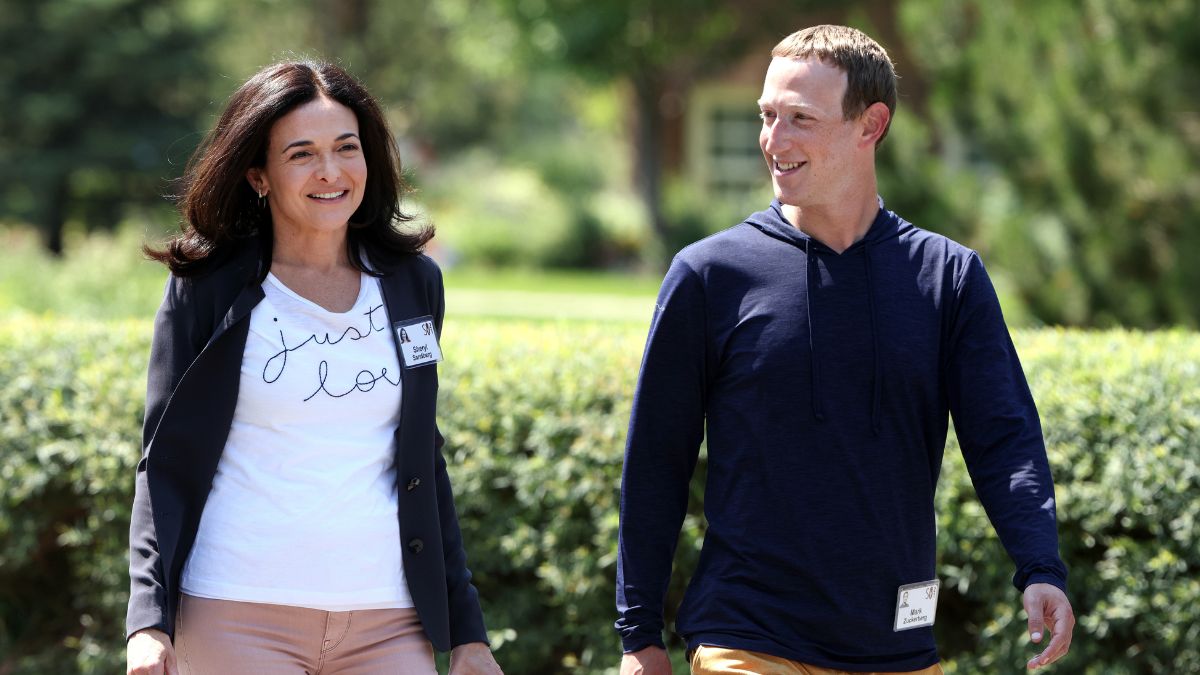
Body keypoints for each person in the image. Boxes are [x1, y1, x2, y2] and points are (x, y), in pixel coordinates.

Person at [615, 25, 1075, 674]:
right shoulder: (709, 276)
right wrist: (638, 635)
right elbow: (656, 459)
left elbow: (1003, 437)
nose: (775, 141)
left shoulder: (947, 278)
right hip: (747, 636)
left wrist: (1039, 564)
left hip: (897, 642)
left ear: (871, 124)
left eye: (800, 118)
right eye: (767, 116)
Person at [125, 61, 503, 675]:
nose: (331, 172)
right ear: (259, 176)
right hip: (236, 615)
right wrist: (148, 620)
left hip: (390, 622)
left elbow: (422, 461)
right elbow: (162, 462)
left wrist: (468, 634)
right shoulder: (209, 287)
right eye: (301, 154)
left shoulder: (413, 285)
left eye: (346, 148)